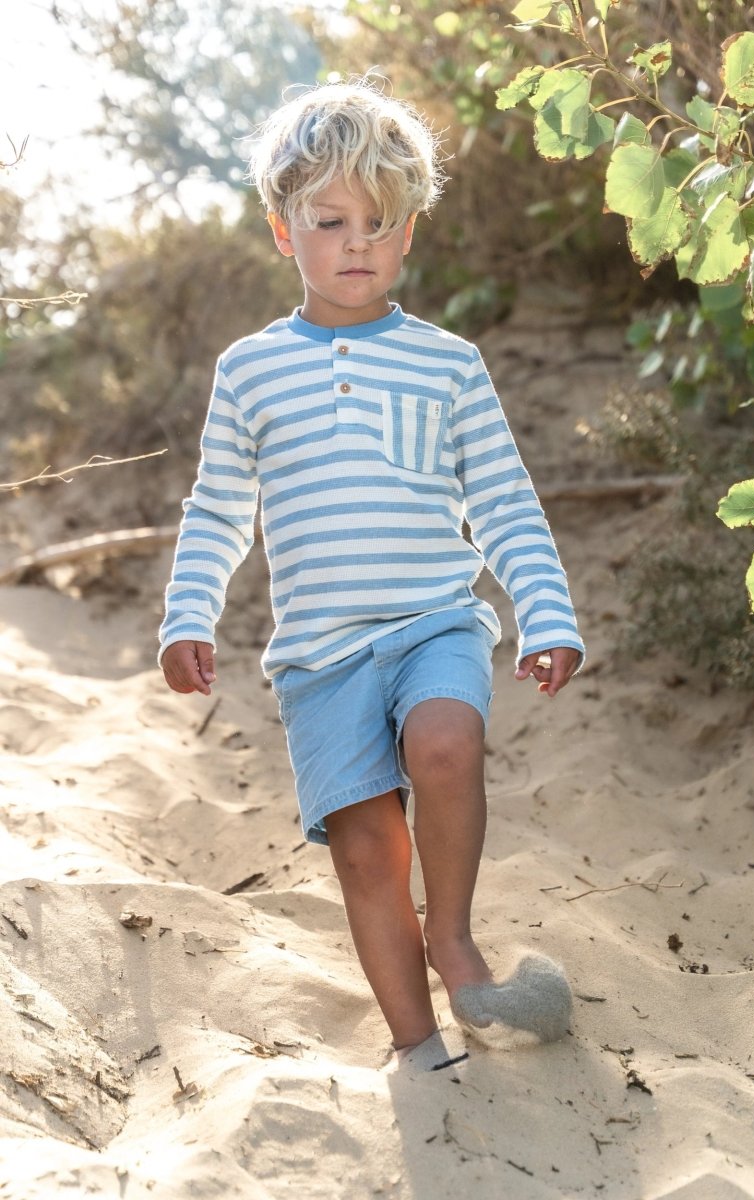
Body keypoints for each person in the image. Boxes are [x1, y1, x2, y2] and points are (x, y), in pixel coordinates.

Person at [159, 79, 584, 1067]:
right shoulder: (249, 371)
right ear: (283, 231)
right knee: (366, 852)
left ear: (408, 235)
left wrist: (545, 611)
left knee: (445, 744)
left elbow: (505, 501)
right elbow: (218, 508)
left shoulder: (448, 365)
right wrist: (188, 613)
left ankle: (455, 937)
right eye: (330, 221)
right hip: (320, 655)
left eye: (380, 223)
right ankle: (421, 1051)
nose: (357, 243)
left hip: (434, 620)